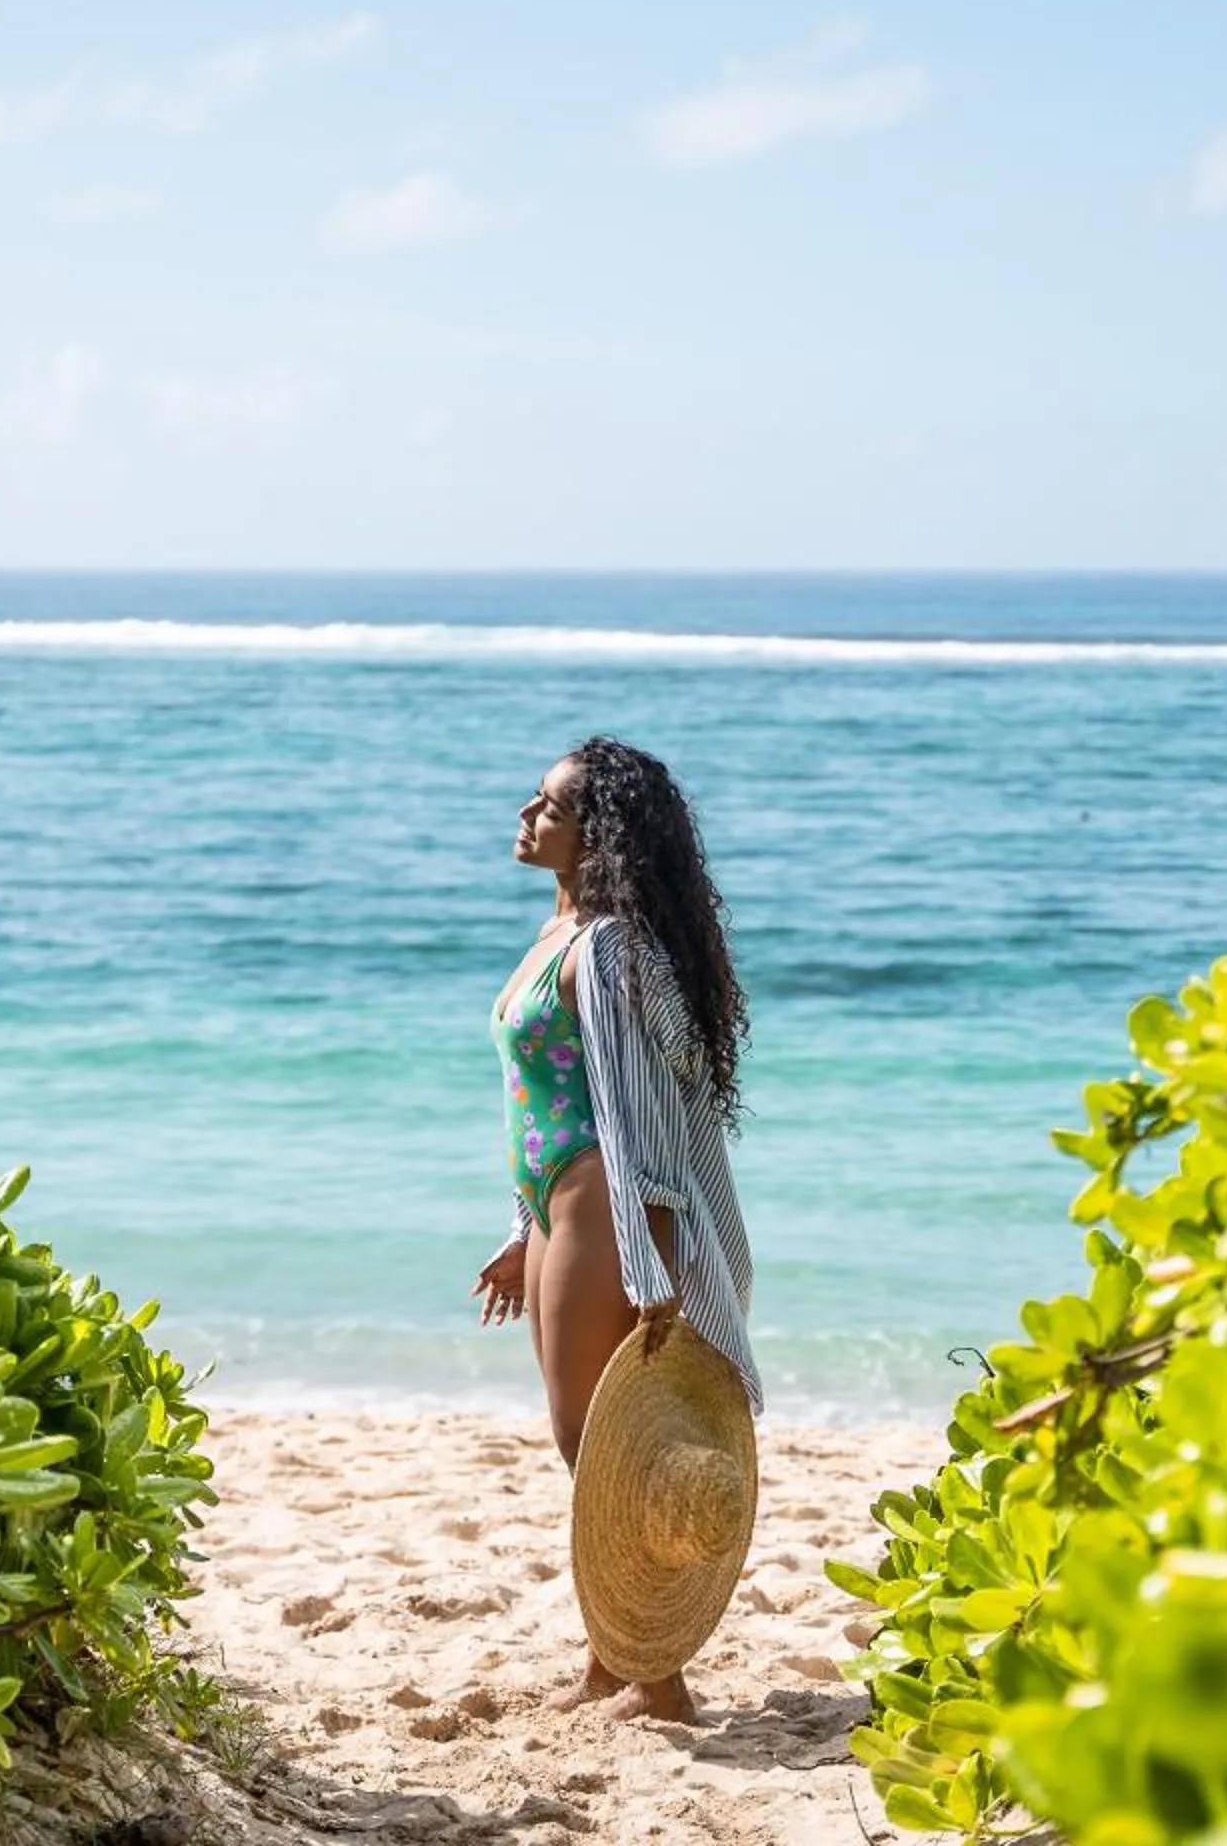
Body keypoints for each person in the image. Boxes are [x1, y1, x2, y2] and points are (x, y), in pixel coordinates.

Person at [470, 735, 761, 1724]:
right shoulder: (559, 933)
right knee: (581, 1439)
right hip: (557, 1199)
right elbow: (536, 1097)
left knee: (598, 1440)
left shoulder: (611, 951)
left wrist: (650, 1262)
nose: (524, 814)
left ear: (595, 833)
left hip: (605, 1202)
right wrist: (519, 1226)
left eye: (546, 804)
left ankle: (659, 1677)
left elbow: (638, 1115)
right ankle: (613, 1661)